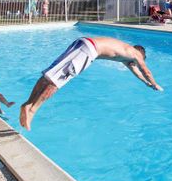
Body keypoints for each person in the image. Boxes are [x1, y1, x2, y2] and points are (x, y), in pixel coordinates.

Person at [19, 37, 163, 131]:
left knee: (49, 75)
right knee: (56, 82)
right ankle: (32, 110)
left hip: (81, 42)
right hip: (89, 50)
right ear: (140, 54)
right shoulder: (135, 54)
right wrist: (155, 84)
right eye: (140, 60)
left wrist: (146, 84)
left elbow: (137, 72)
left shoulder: (125, 53)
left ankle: (28, 104)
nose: (137, 62)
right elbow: (146, 71)